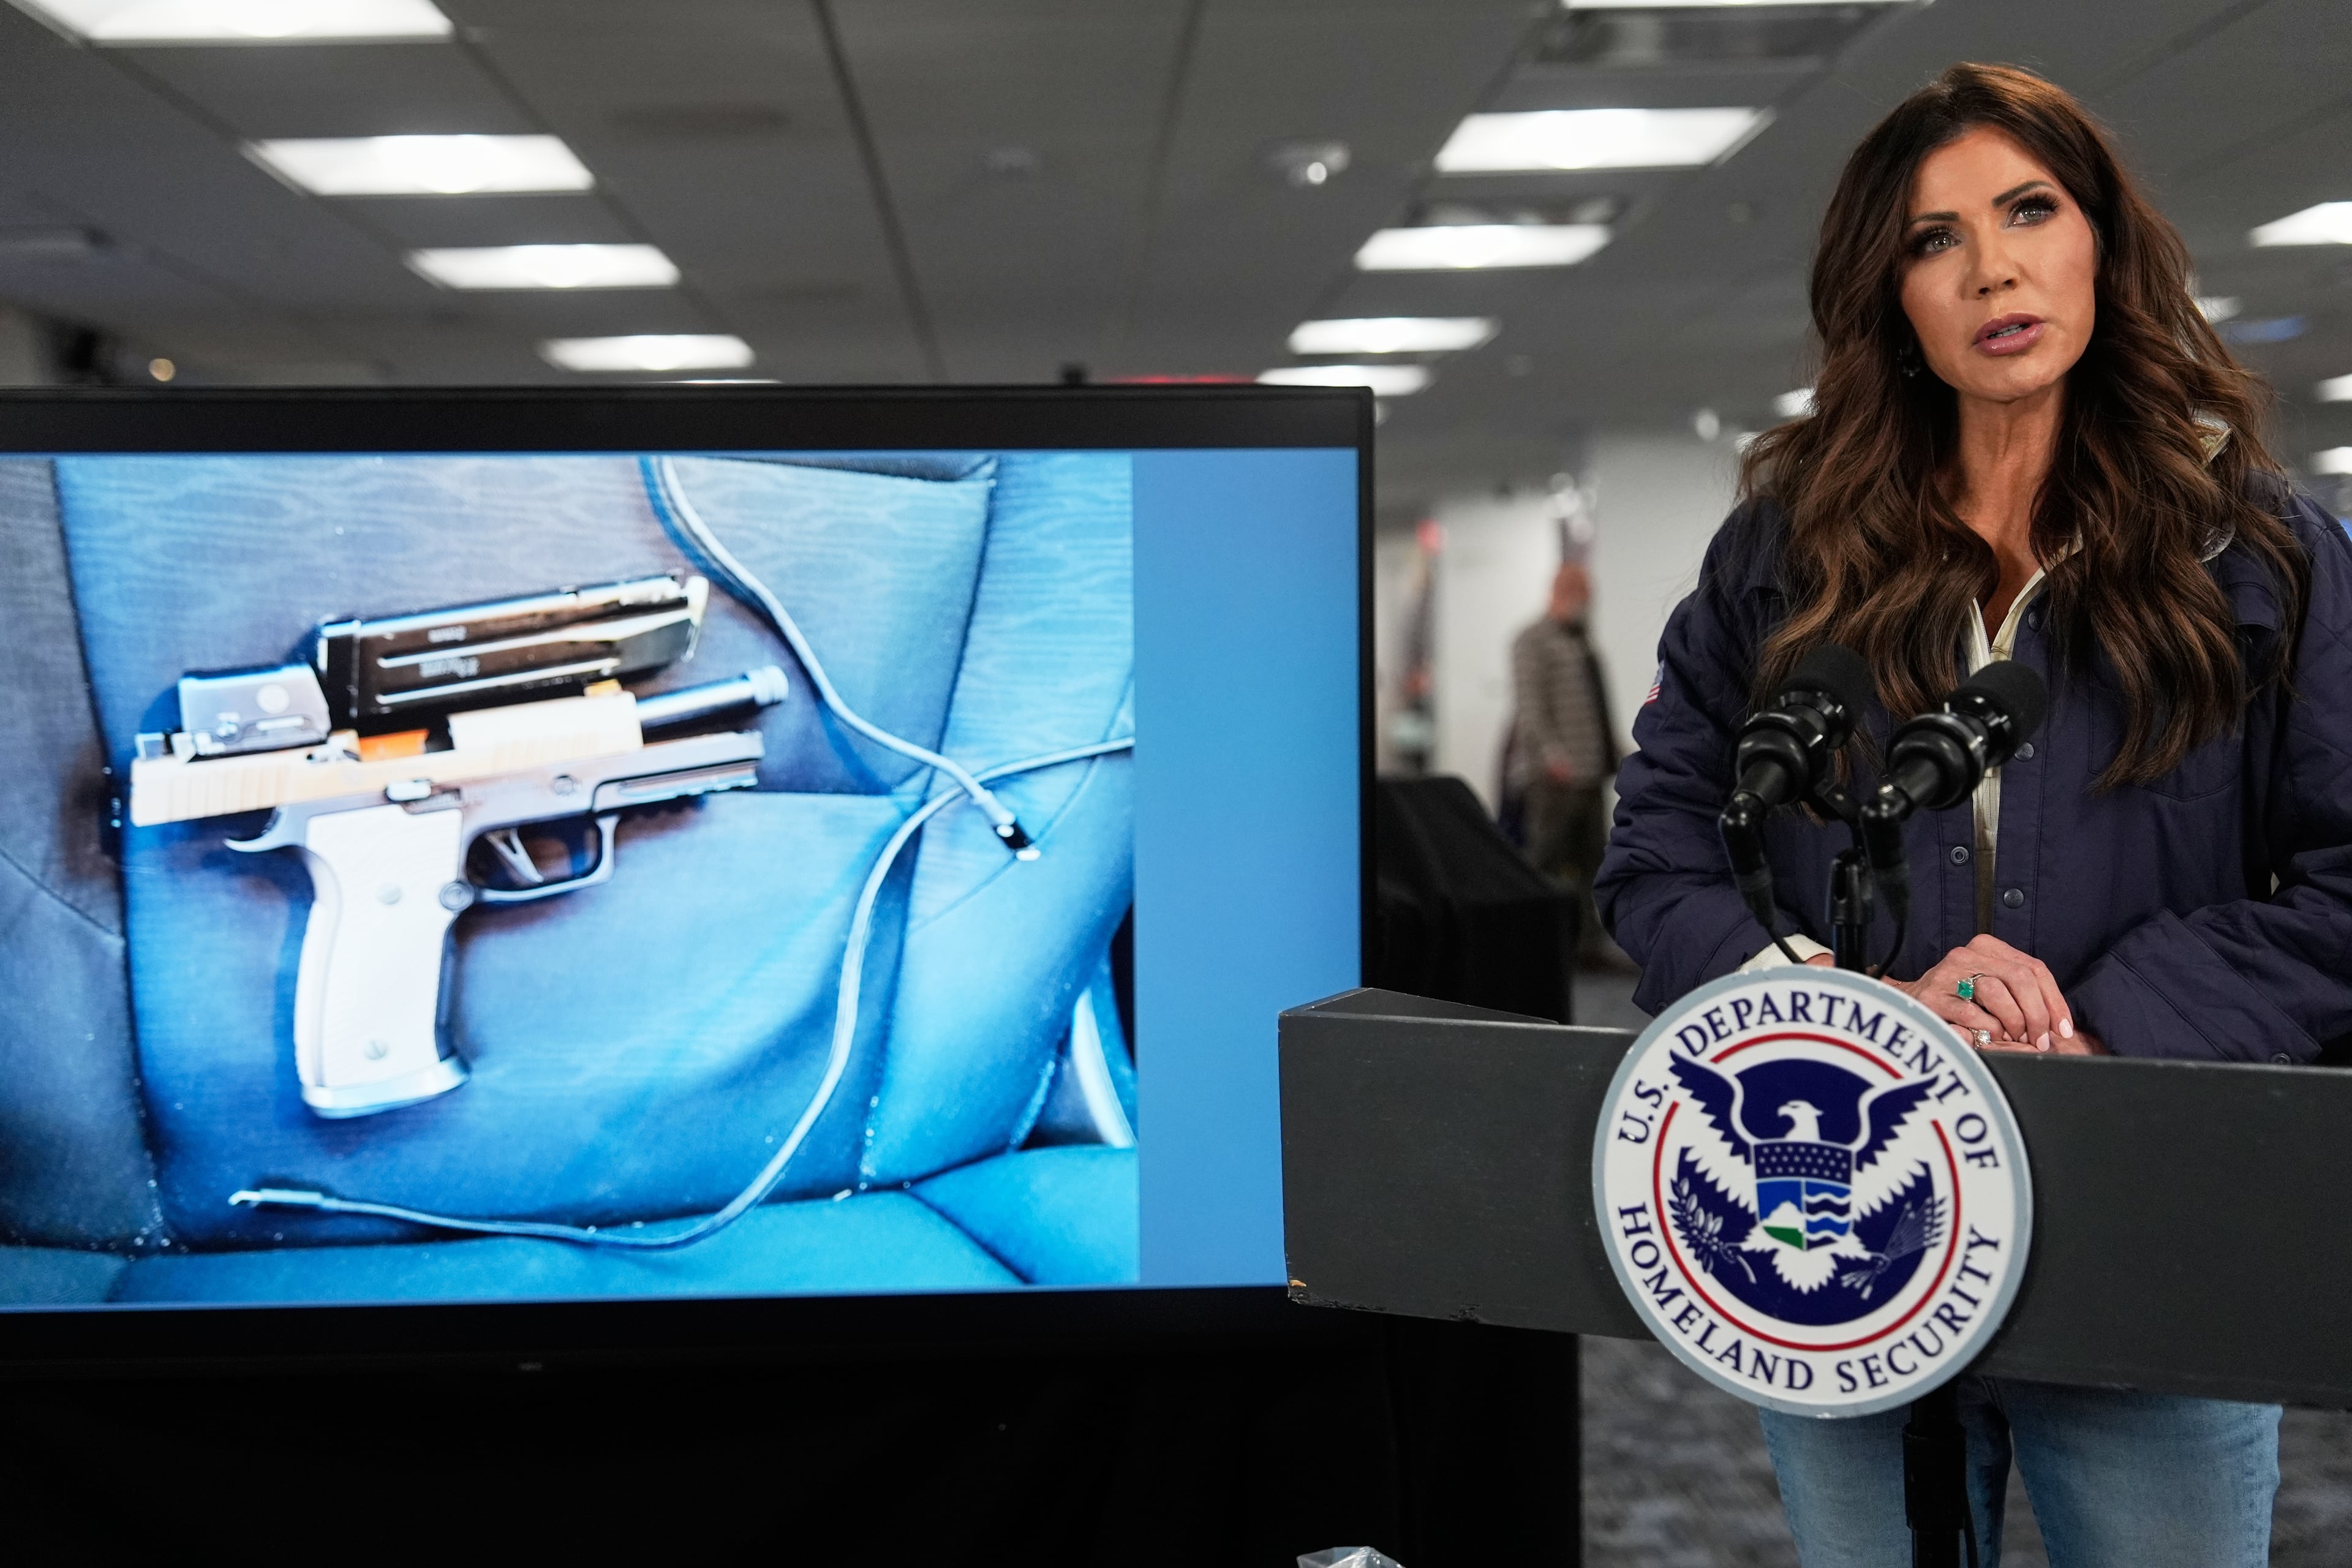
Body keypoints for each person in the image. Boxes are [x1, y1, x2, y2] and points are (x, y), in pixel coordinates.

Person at [1594, 62, 2352, 1567]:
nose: (1991, 266)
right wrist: (1854, 1024)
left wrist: (2090, 1016)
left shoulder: (2264, 559)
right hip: (1843, 1235)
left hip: (2143, 1227)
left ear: (2099, 244)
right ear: (1889, 297)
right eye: (1933, 238)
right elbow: (1661, 851)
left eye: (2028, 211)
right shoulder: (1784, 557)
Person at [1507, 560, 1620, 963]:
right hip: (1552, 778)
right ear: (1561, 592)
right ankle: (1537, 947)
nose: (1586, 605)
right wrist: (1555, 756)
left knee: (1592, 861)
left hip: (1590, 774)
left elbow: (1597, 708)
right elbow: (1531, 707)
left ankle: (1587, 946)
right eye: (1581, 596)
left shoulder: (1582, 642)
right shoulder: (1531, 639)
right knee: (1547, 862)